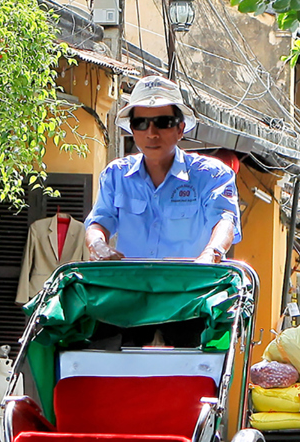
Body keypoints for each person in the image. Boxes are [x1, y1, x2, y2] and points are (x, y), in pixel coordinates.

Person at [83, 77, 240, 346]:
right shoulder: (115, 174)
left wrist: (210, 254)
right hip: (129, 301)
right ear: (132, 129)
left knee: (192, 379)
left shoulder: (211, 174)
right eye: (141, 123)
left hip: (190, 299)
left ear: (180, 128)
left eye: (163, 123)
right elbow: (99, 222)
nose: (151, 133)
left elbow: (224, 219)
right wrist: (98, 244)